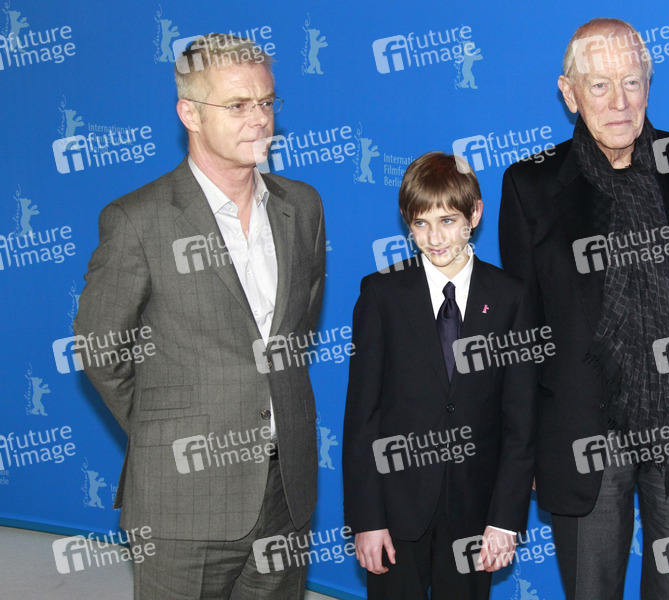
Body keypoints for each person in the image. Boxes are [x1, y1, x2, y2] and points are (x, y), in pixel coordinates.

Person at [498, 18, 669, 600]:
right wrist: (524, 450)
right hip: (580, 433)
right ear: (569, 93)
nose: (619, 103)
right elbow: (522, 335)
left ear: (648, 85)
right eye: (599, 85)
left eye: (632, 82)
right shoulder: (529, 187)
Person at [74, 33, 325, 599]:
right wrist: (168, 429)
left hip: (285, 491)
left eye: (266, 102)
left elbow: (296, 330)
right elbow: (100, 348)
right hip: (183, 497)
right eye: (237, 105)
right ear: (189, 113)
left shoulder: (303, 205)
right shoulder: (138, 219)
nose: (259, 119)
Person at [343, 152, 537, 600]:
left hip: (475, 514)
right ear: (406, 222)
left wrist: (505, 519)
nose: (434, 238)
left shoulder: (510, 298)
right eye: (421, 223)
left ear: (475, 214)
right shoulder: (381, 294)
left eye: (448, 221)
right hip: (396, 510)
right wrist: (368, 519)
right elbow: (362, 417)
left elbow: (520, 419)